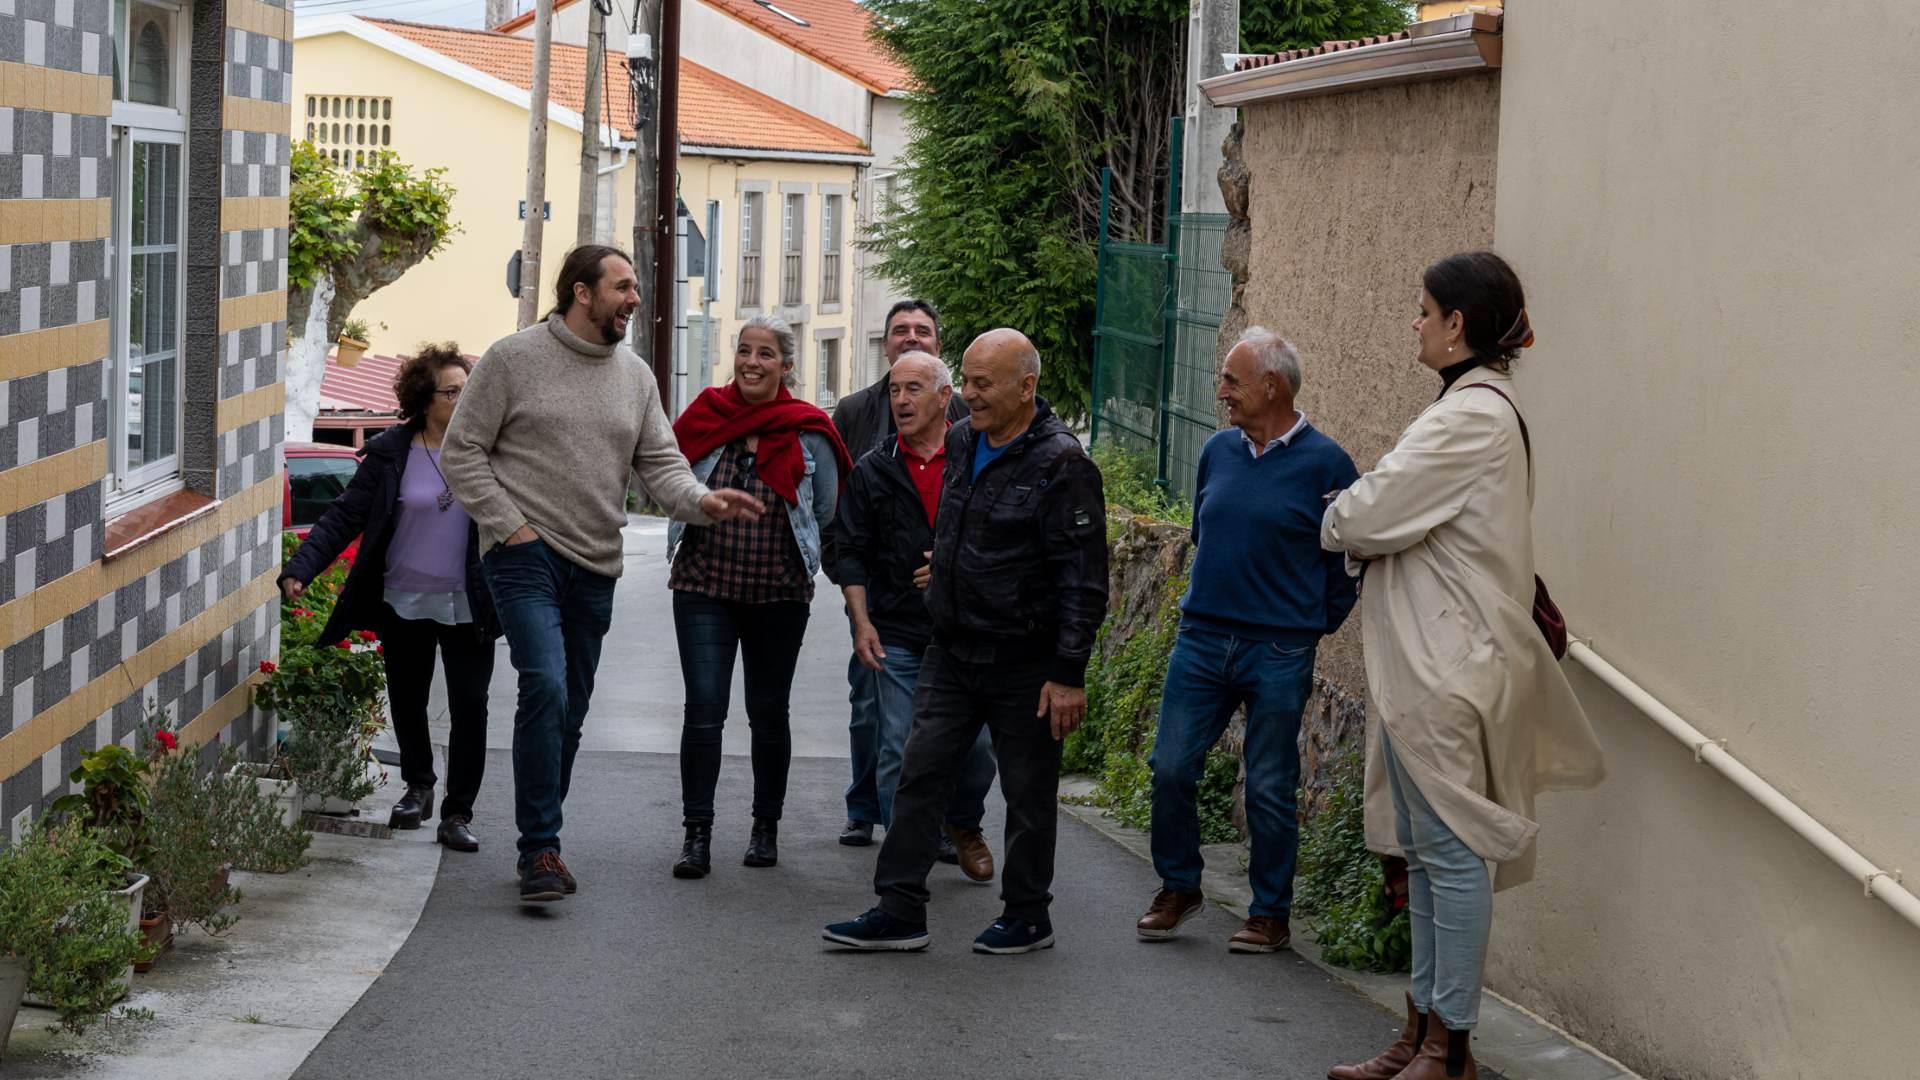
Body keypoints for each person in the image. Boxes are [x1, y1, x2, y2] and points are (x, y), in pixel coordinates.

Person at [1321, 252, 1605, 1080]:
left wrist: (1343, 515)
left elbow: (1363, 514)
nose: (1413, 322)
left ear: (1458, 326)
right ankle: (1419, 1037)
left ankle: (1450, 1048)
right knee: (1424, 851)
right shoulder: (1474, 409)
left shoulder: (1468, 417)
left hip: (1445, 665)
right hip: (1432, 663)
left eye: (1424, 311)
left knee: (1447, 853)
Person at [441, 244, 765, 904]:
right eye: (622, 286)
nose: (634, 298)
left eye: (635, 288)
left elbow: (662, 465)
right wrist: (510, 525)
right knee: (546, 685)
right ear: (581, 293)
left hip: (596, 563)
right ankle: (540, 850)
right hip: (522, 554)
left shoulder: (635, 377)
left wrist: (702, 501)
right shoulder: (513, 359)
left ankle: (542, 837)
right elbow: (461, 450)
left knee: (572, 711)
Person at [823, 328, 1108, 955]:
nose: (969, 397)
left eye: (983, 385)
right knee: (918, 774)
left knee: (1027, 792)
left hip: (1025, 661)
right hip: (949, 651)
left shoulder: (1064, 464)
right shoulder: (961, 440)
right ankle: (899, 908)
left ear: (1026, 387)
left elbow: (1084, 582)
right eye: (968, 382)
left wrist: (1068, 672)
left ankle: (1029, 914)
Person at [1135, 327, 1359, 953]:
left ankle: (1270, 914)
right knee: (1171, 767)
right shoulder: (1217, 452)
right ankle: (1179, 886)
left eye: (1233, 380)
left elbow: (1349, 562)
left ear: (1272, 386)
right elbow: (1207, 535)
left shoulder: (1328, 464)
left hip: (1280, 650)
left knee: (1268, 783)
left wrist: (1313, 622)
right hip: (1203, 636)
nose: (1222, 391)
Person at [279, 345, 498, 851]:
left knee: (471, 707)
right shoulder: (391, 453)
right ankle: (418, 786)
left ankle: (457, 812)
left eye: (468, 391)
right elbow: (343, 515)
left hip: (470, 602)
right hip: (403, 598)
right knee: (407, 699)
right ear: (424, 398)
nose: (462, 400)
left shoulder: (488, 450)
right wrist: (302, 568)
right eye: (451, 392)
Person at [665, 315, 852, 878]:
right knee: (704, 707)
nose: (752, 362)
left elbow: (825, 510)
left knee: (768, 711)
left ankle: (764, 827)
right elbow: (670, 482)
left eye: (765, 354)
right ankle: (697, 835)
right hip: (703, 586)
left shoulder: (808, 429)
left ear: (786, 366)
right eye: (745, 351)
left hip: (779, 593)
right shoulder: (704, 415)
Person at [834, 350, 997, 883]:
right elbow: (849, 550)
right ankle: (906, 861)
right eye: (895, 391)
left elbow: (1007, 538)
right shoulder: (874, 469)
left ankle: (962, 822)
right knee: (898, 748)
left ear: (945, 398)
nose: (901, 400)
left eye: (914, 390)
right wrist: (862, 622)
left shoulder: (981, 457)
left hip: (968, 631)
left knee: (977, 750)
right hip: (898, 633)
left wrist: (956, 570)